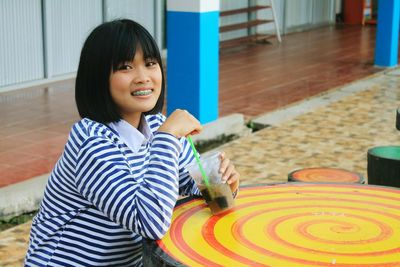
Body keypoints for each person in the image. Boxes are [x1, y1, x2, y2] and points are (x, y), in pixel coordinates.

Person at [25, 19, 240, 266]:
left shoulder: (158, 126)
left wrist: (223, 183)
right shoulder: (91, 141)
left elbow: (193, 187)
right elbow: (150, 222)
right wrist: (168, 137)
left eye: (150, 64)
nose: (142, 77)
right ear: (98, 78)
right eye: (125, 67)